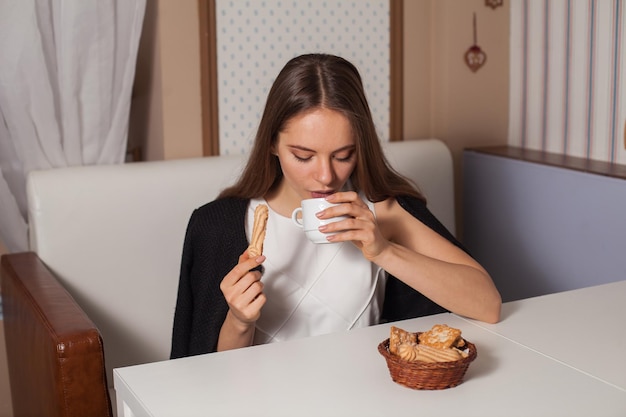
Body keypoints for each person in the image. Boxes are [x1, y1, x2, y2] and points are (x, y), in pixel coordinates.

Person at [170, 53, 501, 358]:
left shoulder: (384, 212)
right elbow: (210, 374)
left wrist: (383, 251)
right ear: (272, 143)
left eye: (344, 155)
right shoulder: (218, 226)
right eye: (303, 156)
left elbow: (488, 305)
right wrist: (240, 320)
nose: (326, 176)